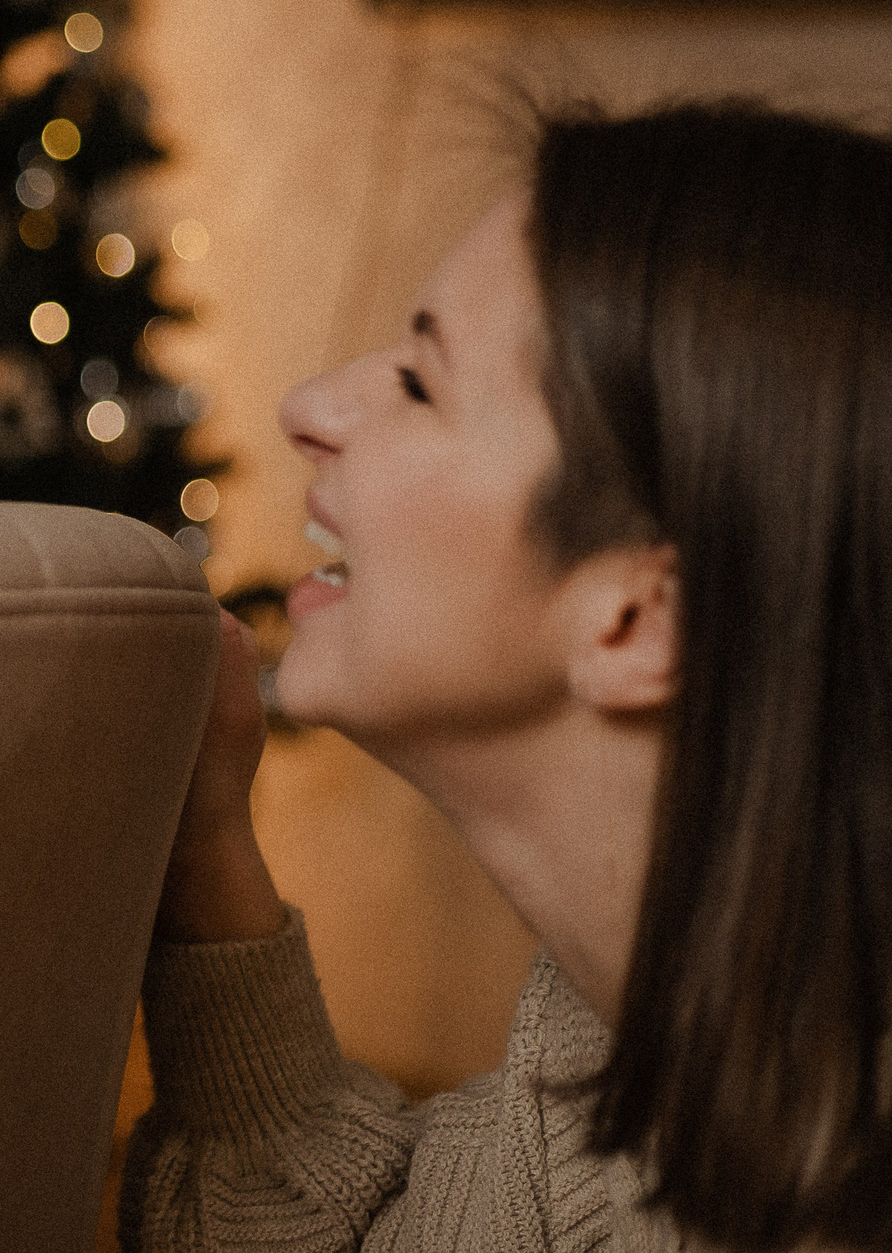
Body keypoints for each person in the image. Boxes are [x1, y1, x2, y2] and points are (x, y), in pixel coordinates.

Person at [126, 100, 891, 1251]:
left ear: (635, 619)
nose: (310, 408)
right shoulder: (595, 1061)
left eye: (423, 386)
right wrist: (205, 842)